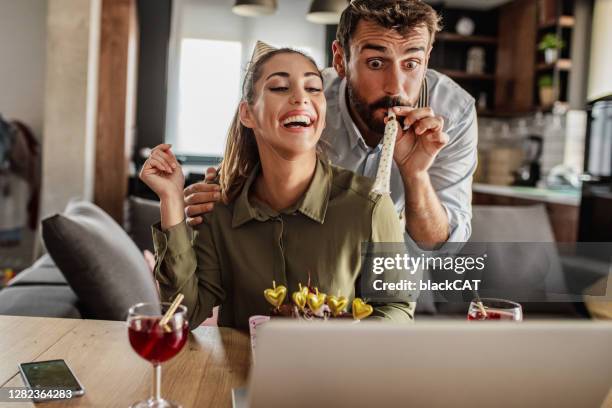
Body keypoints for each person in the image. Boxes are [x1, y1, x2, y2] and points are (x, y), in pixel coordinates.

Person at [140, 46, 413, 331]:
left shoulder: (370, 206)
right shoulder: (218, 206)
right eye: (280, 87)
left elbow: (398, 308)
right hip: (240, 376)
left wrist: (346, 339)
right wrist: (170, 200)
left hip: (335, 373)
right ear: (248, 114)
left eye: (313, 88)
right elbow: (185, 314)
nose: (300, 97)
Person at [185, 0, 477, 251]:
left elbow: (440, 246)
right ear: (340, 60)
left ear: (426, 60)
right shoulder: (306, 102)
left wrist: (416, 176)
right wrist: (215, 199)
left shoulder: (454, 114)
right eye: (375, 63)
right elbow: (242, 184)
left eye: (411, 64)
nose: (395, 87)